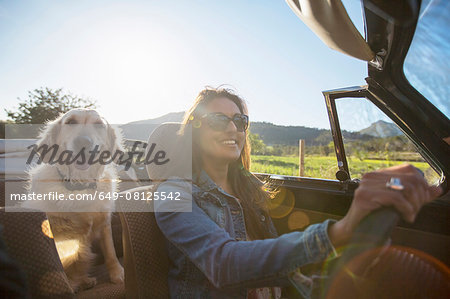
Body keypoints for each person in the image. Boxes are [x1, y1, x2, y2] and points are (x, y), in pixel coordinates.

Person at [154, 87, 442, 299]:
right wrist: (339, 233)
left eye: (240, 121)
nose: (233, 128)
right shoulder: (172, 194)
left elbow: (275, 264)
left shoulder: (251, 188)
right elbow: (225, 263)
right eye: (219, 120)